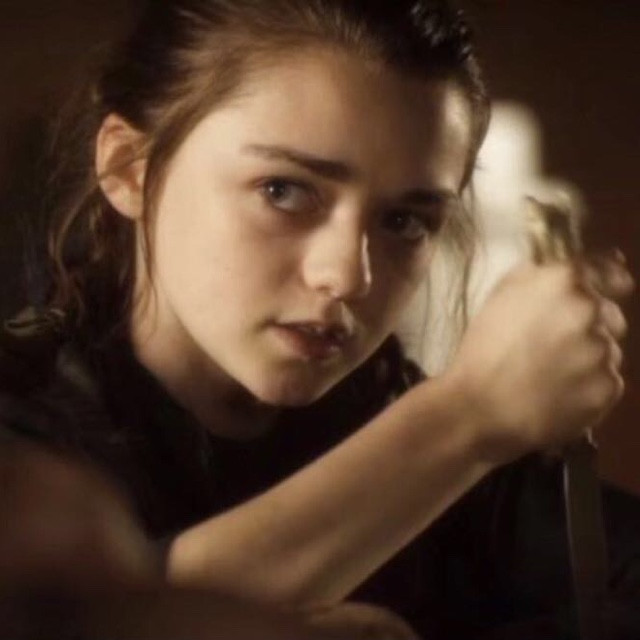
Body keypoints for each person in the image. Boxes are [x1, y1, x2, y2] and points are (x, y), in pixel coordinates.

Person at [0, 0, 637, 638]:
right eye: (283, 190)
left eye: (404, 221)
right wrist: (467, 415)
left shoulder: (420, 441)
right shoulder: (23, 431)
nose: (349, 276)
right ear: (128, 168)